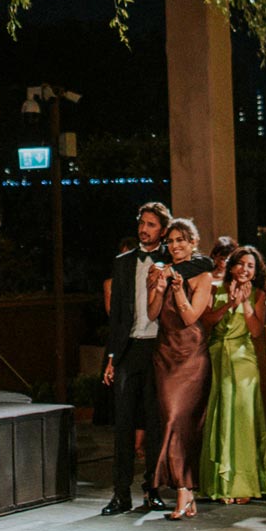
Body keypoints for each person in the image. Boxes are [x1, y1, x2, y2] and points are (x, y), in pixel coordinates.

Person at [101, 200, 172, 514]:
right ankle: (120, 494)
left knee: (154, 424)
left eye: (151, 225)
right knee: (124, 425)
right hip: (128, 348)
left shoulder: (172, 261)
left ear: (163, 230)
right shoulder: (123, 262)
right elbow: (117, 315)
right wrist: (111, 357)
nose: (144, 229)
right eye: (142, 223)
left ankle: (152, 490)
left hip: (157, 348)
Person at [199, 244, 266, 503]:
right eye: (241, 264)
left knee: (244, 419)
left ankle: (244, 484)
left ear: (256, 272)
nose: (245, 269)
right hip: (217, 355)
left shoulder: (259, 294)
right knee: (220, 416)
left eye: (250, 266)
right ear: (231, 266)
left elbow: (256, 331)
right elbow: (207, 321)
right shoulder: (215, 288)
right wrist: (229, 303)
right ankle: (221, 484)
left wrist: (244, 303)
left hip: (244, 359)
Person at [151, 217, 216, 520]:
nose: (175, 246)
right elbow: (152, 313)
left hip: (192, 356)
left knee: (182, 421)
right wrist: (156, 288)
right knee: (170, 420)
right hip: (165, 354)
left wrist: (178, 290)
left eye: (181, 240)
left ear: (193, 243)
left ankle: (183, 489)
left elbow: (190, 317)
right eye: (171, 241)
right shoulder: (161, 271)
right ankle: (185, 491)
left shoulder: (202, 275)